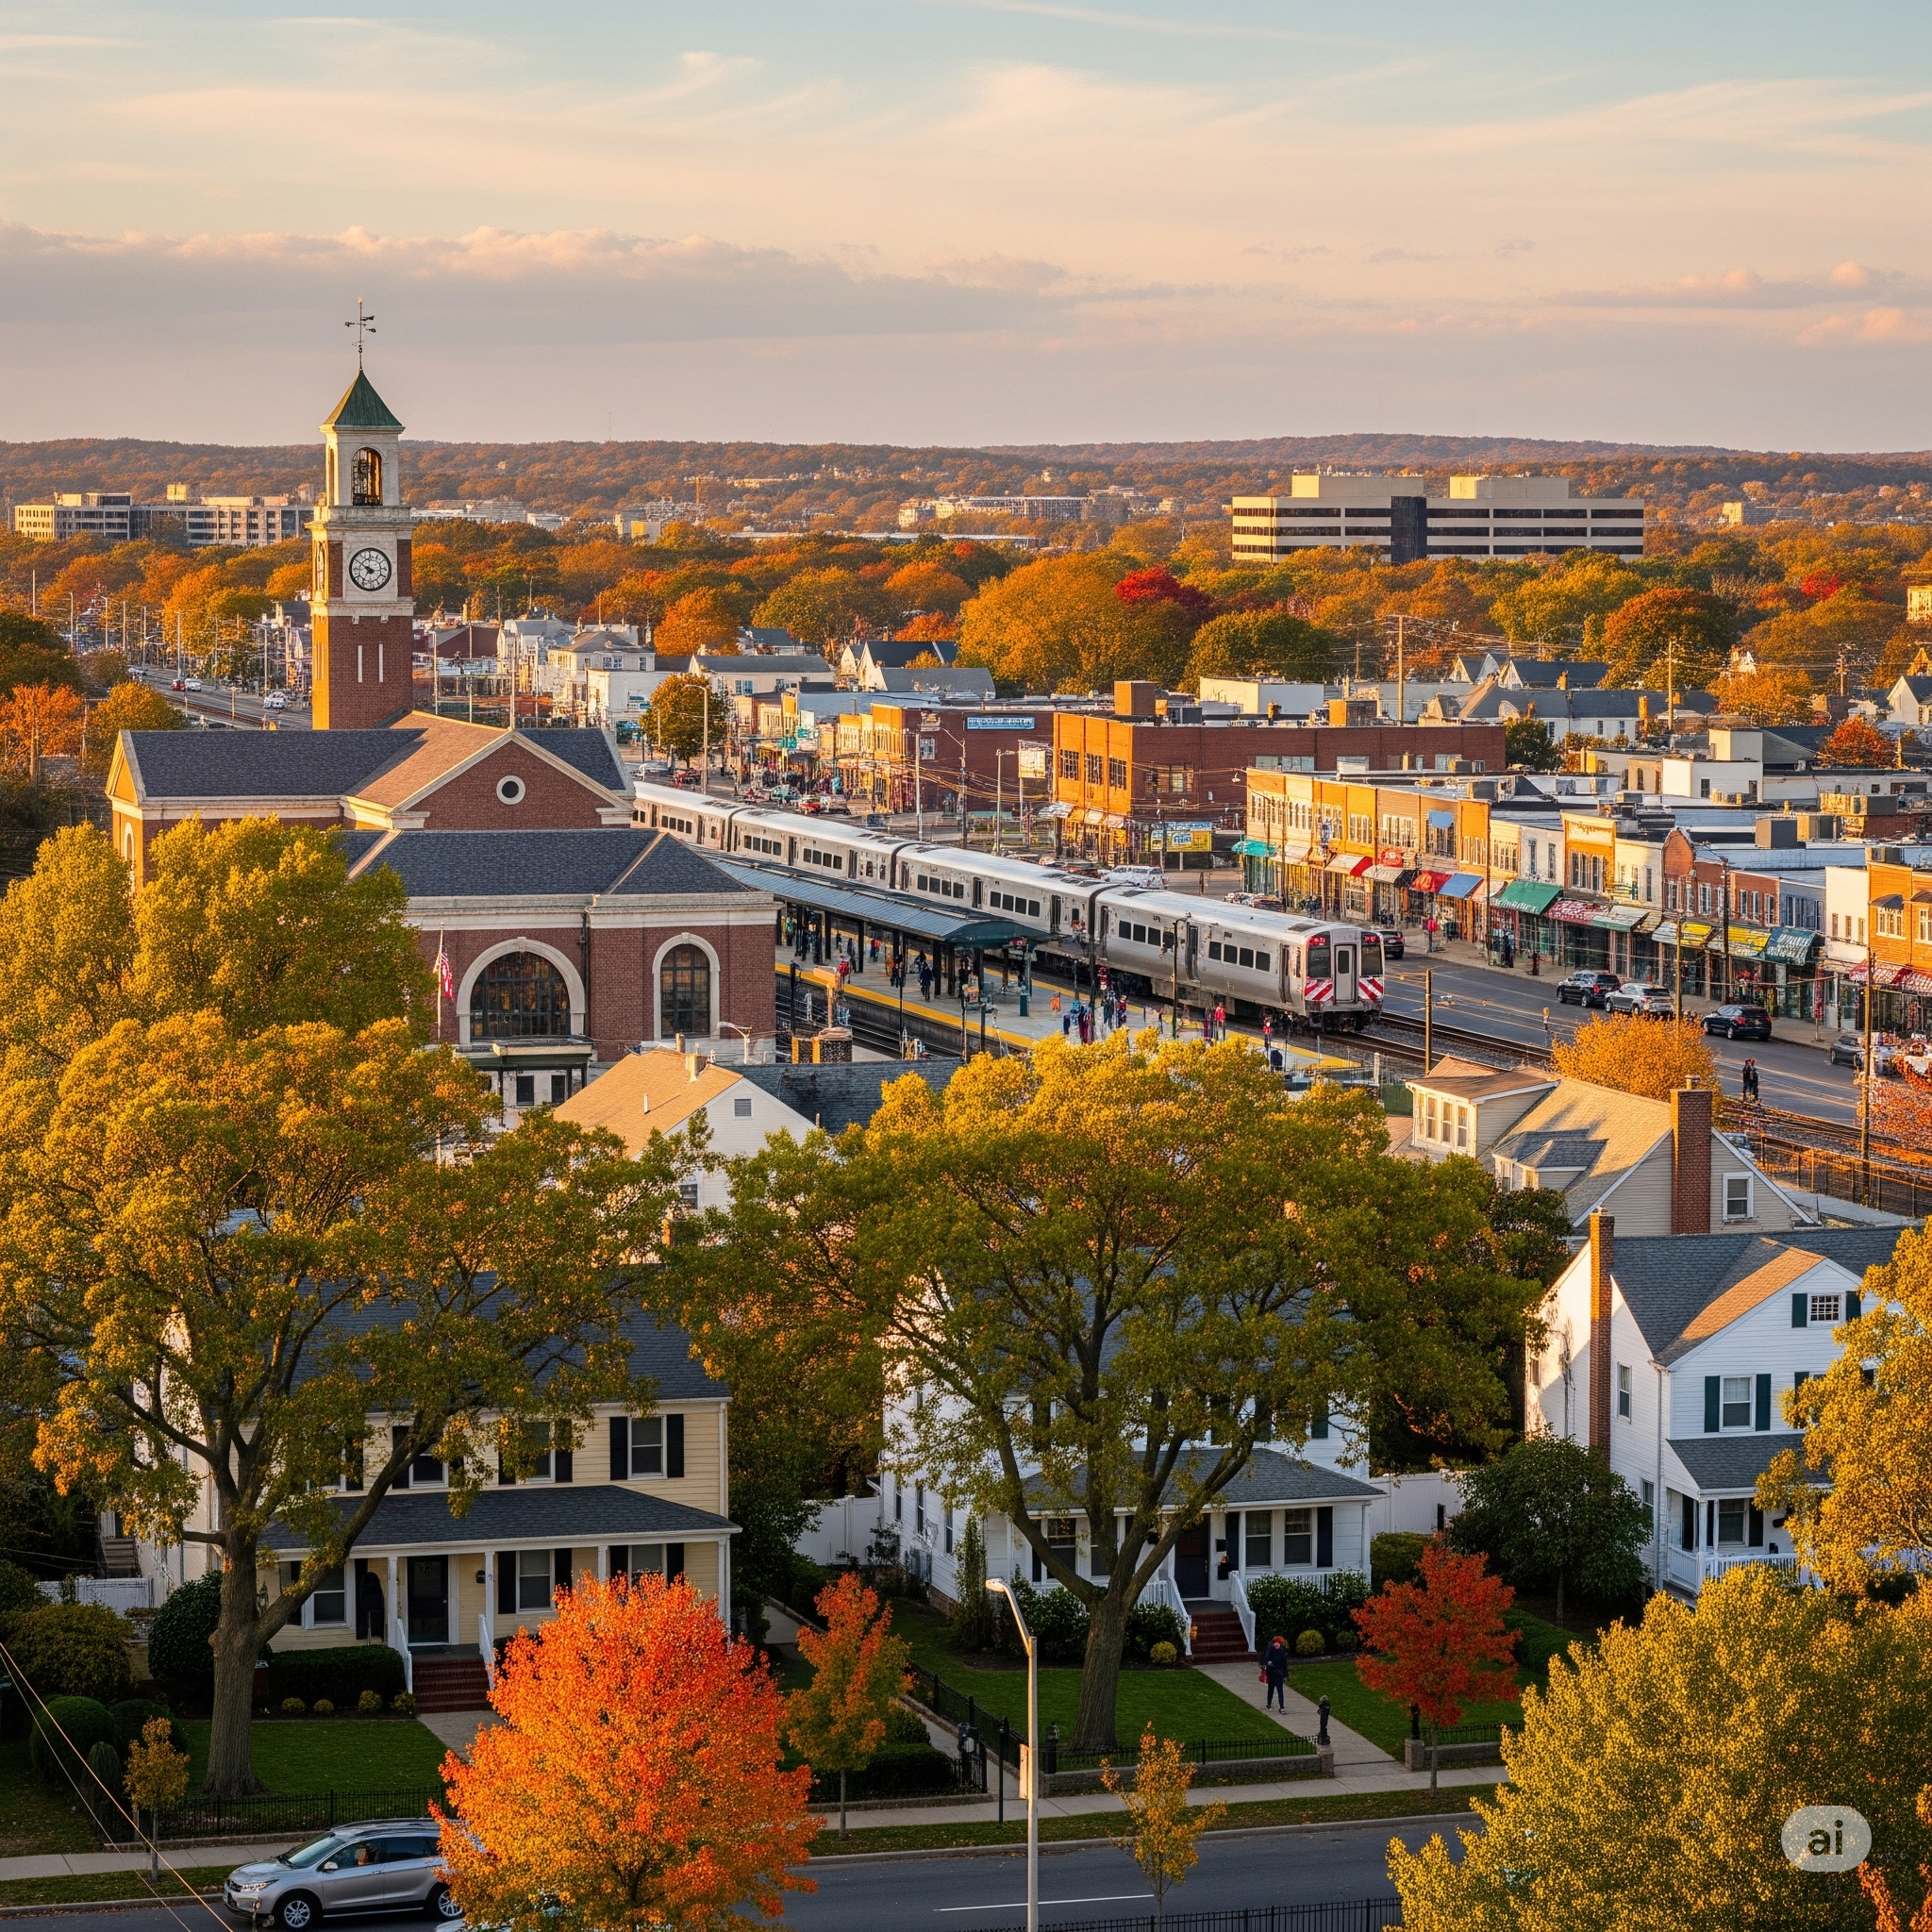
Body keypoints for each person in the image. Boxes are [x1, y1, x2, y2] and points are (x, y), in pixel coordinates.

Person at [1261, 1633, 1290, 1711]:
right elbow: (1266, 1660)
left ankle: (1281, 1705)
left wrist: (1286, 1674)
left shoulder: (1280, 1651)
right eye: (1275, 1642)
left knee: (1279, 1690)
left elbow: (1284, 1664)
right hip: (1273, 1674)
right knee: (1272, 1689)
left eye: (1278, 1642)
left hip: (1277, 1674)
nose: (1276, 1644)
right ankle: (1270, 1704)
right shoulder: (1273, 1650)